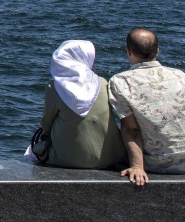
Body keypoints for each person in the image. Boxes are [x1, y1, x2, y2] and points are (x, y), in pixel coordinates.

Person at [109, 28, 185, 186]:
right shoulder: (180, 75)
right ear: (157, 51)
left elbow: (131, 129)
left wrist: (137, 166)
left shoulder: (121, 81)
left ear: (128, 52)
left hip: (157, 166)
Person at [28, 40, 124, 170]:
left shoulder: (54, 87)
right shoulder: (103, 83)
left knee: (33, 150)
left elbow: (46, 124)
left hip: (65, 159)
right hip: (109, 158)